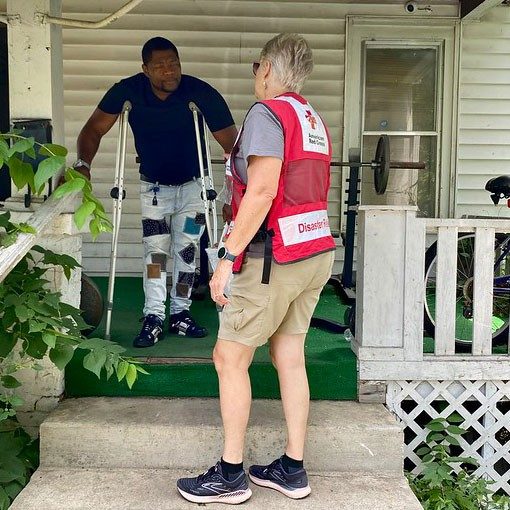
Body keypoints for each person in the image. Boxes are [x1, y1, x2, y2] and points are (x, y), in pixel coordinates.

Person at [176, 33, 336, 504]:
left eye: (254, 66)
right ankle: (292, 467)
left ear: (267, 68)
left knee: (230, 358)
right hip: (313, 251)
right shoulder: (311, 117)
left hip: (273, 257)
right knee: (289, 356)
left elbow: (263, 191)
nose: (254, 75)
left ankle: (229, 475)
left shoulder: (268, 115)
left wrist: (226, 259)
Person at [73, 37, 237, 347]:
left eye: (173, 64)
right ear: (146, 69)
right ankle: (154, 316)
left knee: (188, 251)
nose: (169, 72)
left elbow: (233, 146)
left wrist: (234, 194)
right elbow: (94, 128)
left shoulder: (199, 93)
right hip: (155, 192)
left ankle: (180, 313)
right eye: (160, 67)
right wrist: (84, 164)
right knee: (156, 254)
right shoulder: (128, 92)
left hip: (194, 190)